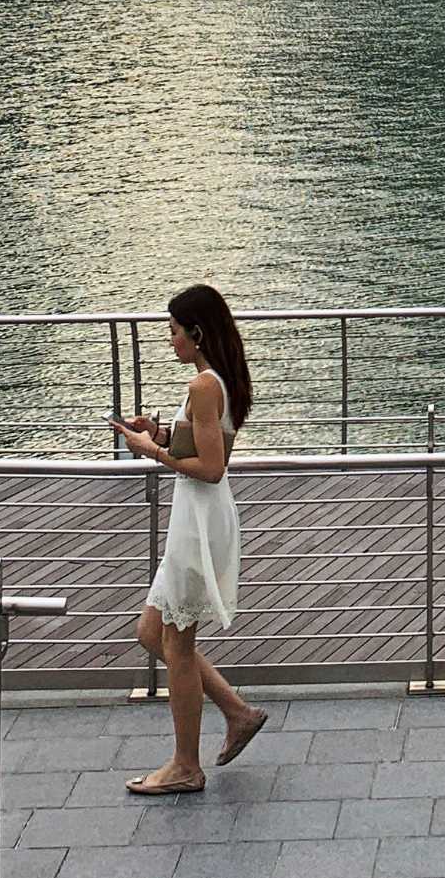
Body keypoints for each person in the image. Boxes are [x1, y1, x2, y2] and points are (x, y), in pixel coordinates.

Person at [115, 283, 268, 796]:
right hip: (195, 519)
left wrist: (147, 451)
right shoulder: (216, 381)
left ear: (196, 332)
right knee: (152, 634)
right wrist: (158, 435)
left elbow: (210, 466)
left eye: (175, 331)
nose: (170, 340)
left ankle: (185, 765)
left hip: (198, 522)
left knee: (177, 642)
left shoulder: (205, 385)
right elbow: (204, 443)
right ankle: (238, 712)